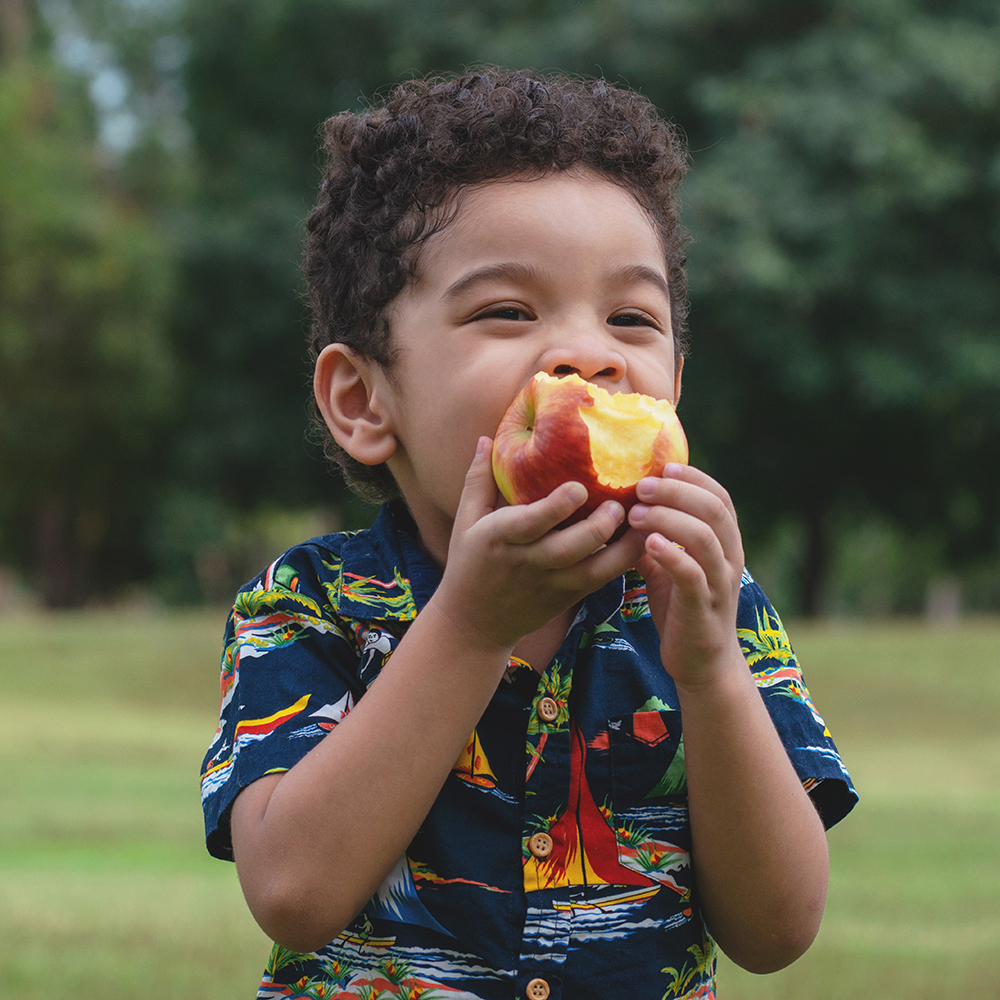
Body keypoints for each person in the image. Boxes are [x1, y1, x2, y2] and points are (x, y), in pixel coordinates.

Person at [200, 68, 857, 1000]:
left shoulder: (715, 611)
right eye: (509, 310)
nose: (589, 354)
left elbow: (777, 929)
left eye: (631, 318)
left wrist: (709, 668)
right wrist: (472, 624)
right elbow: (294, 893)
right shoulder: (312, 606)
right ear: (363, 400)